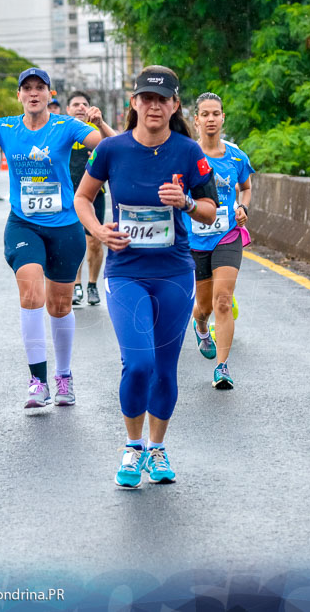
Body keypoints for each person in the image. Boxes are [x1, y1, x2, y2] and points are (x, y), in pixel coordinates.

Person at [75, 65, 218, 488]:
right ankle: (132, 446)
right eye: (146, 98)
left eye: (163, 99)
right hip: (126, 273)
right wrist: (99, 231)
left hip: (173, 271)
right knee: (138, 364)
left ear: (174, 105)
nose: (154, 105)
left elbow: (210, 211)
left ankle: (157, 448)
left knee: (165, 370)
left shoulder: (188, 152)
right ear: (133, 103)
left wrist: (188, 203)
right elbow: (83, 197)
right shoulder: (111, 149)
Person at [0, 68, 108, 408]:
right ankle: (38, 381)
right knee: (31, 292)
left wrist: (100, 122)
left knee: (60, 305)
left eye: (40, 88)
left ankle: (63, 377)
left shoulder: (66, 127)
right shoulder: (4, 127)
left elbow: (109, 146)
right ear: (19, 95)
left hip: (65, 227)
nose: (33, 93)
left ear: (49, 94)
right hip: (24, 225)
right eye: (27, 88)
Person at [186, 92, 254, 390]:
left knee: (223, 301)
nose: (211, 119)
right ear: (196, 120)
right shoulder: (188, 155)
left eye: (216, 113)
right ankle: (200, 325)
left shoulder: (237, 156)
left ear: (222, 118)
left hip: (228, 236)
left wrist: (243, 206)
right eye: (206, 114)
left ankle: (222, 368)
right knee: (204, 306)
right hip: (195, 239)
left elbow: (246, 187)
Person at [65, 91, 115, 306]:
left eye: (84, 104)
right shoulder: (62, 132)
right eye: (75, 104)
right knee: (73, 241)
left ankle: (92, 285)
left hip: (94, 195)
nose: (80, 107)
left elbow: (117, 146)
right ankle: (76, 284)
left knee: (94, 242)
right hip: (67, 195)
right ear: (68, 109)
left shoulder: (96, 132)